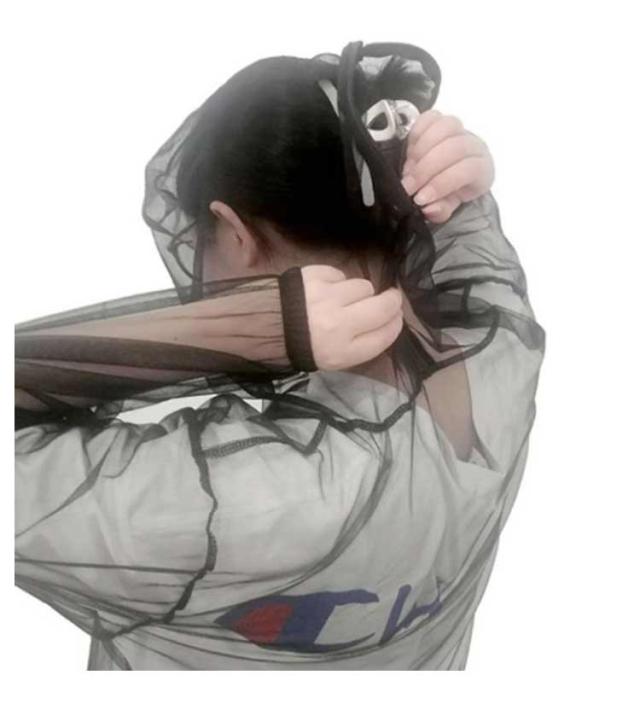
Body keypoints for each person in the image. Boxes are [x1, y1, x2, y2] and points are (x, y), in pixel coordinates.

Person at [14, 45, 546, 669]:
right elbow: (452, 216)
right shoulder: (499, 339)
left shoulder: (213, 504)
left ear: (232, 230)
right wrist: (453, 172)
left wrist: (260, 326)